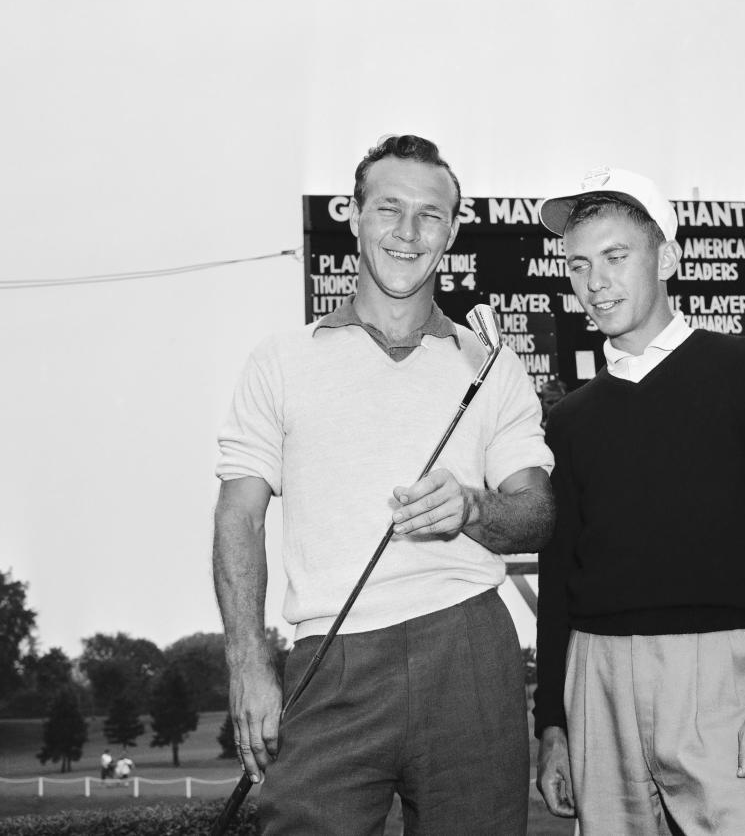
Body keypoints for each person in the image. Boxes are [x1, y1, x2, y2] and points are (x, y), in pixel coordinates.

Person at [213, 134, 554, 836]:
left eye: (430, 215)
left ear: (453, 231)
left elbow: (538, 513)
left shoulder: (491, 365)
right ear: (356, 216)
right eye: (388, 209)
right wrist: (248, 662)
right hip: (329, 658)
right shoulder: (280, 361)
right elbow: (238, 517)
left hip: (468, 646)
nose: (408, 232)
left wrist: (471, 506)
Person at [533, 167, 745, 835]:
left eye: (616, 257)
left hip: (718, 670)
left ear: (667, 257)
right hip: (596, 673)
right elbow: (559, 582)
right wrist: (551, 722)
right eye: (578, 265)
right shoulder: (570, 419)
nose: (596, 281)